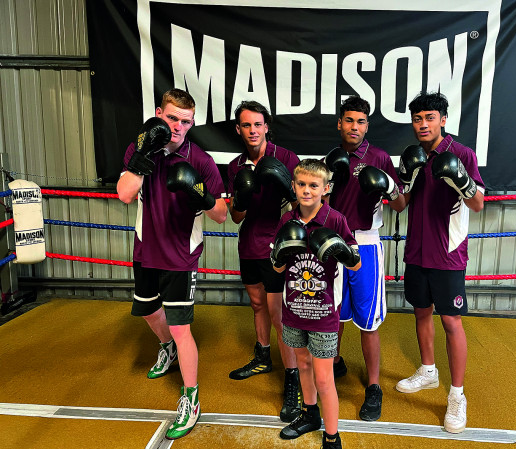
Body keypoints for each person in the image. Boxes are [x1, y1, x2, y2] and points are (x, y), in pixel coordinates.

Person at [117, 88, 227, 440]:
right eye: (172, 118)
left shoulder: (201, 161)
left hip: (181, 254)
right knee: (149, 312)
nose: (179, 126)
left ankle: (191, 399)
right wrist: (141, 157)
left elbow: (222, 214)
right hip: (145, 249)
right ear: (158, 114)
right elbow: (124, 194)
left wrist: (200, 194)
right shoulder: (139, 149)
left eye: (186, 121)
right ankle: (166, 349)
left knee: (181, 328)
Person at [394, 91, 484, 434]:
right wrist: (403, 180)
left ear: (443, 120)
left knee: (451, 321)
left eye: (430, 118)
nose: (423, 124)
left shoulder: (462, 154)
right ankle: (428, 371)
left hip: (448, 253)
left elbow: (478, 204)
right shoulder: (413, 156)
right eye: (417, 119)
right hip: (417, 251)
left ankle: (457, 395)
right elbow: (400, 204)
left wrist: (461, 179)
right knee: (421, 312)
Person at [324, 95, 406, 421]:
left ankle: (374, 386)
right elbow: (318, 205)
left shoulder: (379, 157)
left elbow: (400, 205)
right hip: (333, 242)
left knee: (368, 321)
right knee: (334, 314)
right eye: (349, 120)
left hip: (366, 244)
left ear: (367, 125)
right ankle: (333, 364)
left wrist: (388, 186)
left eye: (360, 121)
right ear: (339, 123)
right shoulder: (330, 159)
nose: (354, 127)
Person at [272, 159, 361, 449]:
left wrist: (342, 251)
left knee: (324, 378)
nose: (307, 190)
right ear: (293, 186)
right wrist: (280, 255)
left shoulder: (336, 220)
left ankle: (332, 436)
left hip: (323, 313)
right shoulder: (287, 220)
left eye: (313, 185)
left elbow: (356, 264)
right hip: (294, 309)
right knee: (303, 364)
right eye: (301, 184)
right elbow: (277, 268)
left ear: (326, 188)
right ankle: (310, 414)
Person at [227, 101, 301, 422]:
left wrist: (288, 190)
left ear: (266, 127)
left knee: (279, 314)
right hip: (249, 244)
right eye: (246, 125)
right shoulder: (235, 166)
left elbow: (303, 207)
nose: (253, 130)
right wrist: (242, 197)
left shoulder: (287, 158)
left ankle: (293, 381)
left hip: (278, 245)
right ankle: (262, 357)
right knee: (257, 305)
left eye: (258, 124)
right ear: (238, 129)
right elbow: (235, 216)